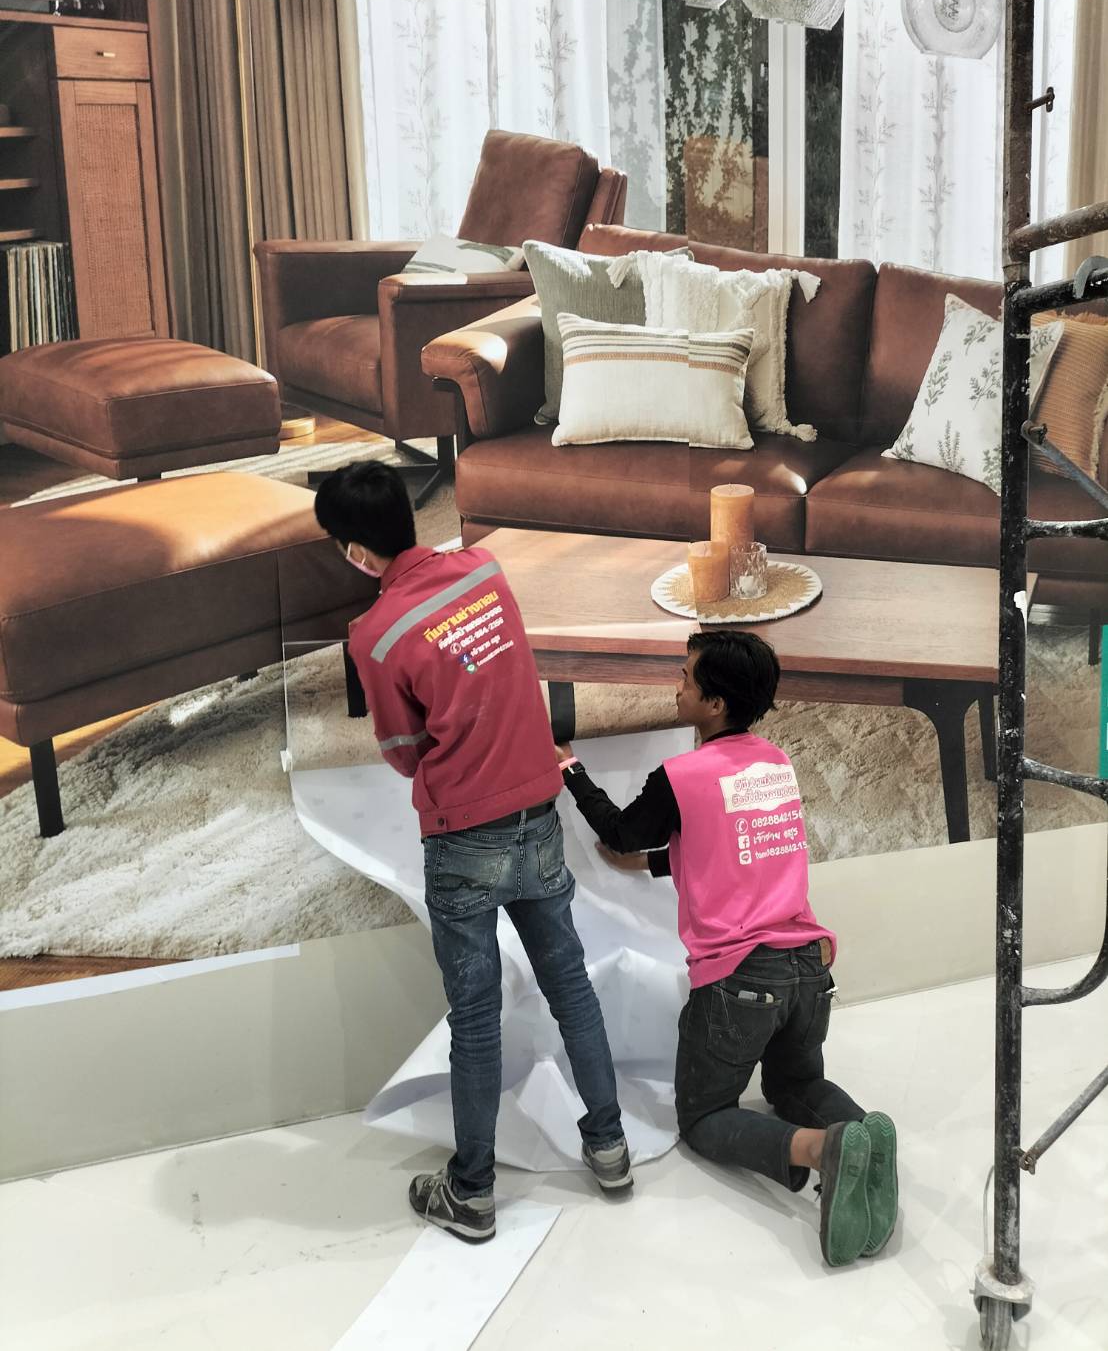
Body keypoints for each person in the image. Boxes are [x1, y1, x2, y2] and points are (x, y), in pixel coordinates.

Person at [314, 461, 631, 1244]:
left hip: (462, 837)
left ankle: (473, 1191)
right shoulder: (486, 570)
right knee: (571, 986)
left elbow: (402, 751)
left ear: (356, 552)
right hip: (538, 815)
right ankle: (610, 1148)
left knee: (477, 1018)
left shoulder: (374, 636)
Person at [556, 629, 897, 1269]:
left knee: (704, 1117)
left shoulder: (681, 775)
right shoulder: (774, 764)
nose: (676, 687)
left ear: (714, 703)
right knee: (798, 1084)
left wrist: (570, 769)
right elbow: (728, 845)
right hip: (808, 966)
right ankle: (866, 1137)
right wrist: (653, 864)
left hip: (741, 977)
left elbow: (622, 831)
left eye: (685, 677)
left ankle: (821, 1151)